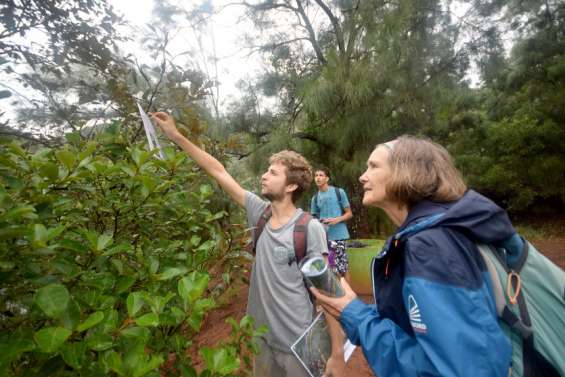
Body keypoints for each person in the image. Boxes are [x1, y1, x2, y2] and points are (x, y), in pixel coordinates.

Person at [150, 112, 346, 377]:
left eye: (273, 173)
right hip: (261, 338)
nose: (264, 176)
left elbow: (330, 294)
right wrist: (175, 136)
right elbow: (218, 171)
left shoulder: (309, 228)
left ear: (290, 186)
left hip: (297, 344)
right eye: (266, 170)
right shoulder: (260, 212)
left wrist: (336, 354)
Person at [311, 136, 520, 376]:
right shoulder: (434, 233)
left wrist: (356, 316)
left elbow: (456, 370)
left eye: (374, 166)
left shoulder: (431, 246)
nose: (362, 175)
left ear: (406, 171)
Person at [310, 168, 353, 279]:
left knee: (343, 268)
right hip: (323, 238)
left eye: (321, 175)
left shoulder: (339, 192)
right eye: (316, 175)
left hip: (339, 236)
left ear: (327, 178)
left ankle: (349, 295)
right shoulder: (314, 199)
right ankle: (335, 294)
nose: (318, 178)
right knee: (329, 268)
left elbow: (349, 214)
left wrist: (336, 220)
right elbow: (313, 219)